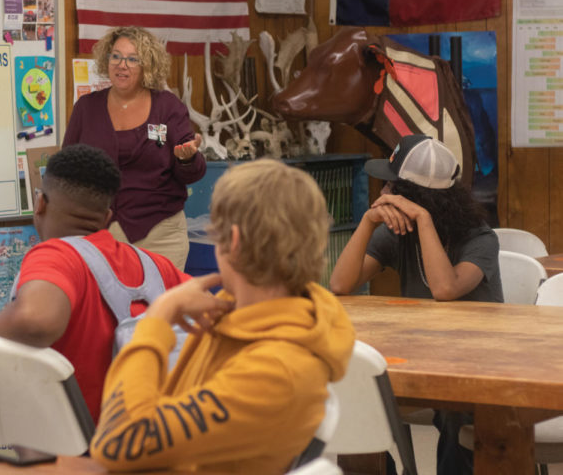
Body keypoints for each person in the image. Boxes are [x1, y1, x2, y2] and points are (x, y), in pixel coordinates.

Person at [90, 159, 355, 474]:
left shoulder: (277, 371)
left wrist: (155, 322)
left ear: (235, 242)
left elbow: (118, 443)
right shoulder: (235, 313)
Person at [330, 134, 501, 475]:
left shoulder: (480, 238)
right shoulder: (396, 232)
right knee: (356, 396)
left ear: (413, 197)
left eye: (391, 186)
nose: (383, 193)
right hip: (418, 357)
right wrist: (368, 221)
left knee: (456, 413)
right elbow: (340, 284)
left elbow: (444, 288)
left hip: (476, 367)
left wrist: (423, 219)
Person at [0, 144, 189, 422]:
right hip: (152, 445)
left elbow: (36, 319)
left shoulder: (56, 254)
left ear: (40, 203)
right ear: (106, 218)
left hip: (73, 456)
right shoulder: (158, 267)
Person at [63, 26, 205, 271]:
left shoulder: (168, 108)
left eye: (132, 59)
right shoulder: (86, 108)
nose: (122, 65)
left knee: (160, 310)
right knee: (106, 309)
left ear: (147, 65)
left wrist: (186, 159)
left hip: (161, 235)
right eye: (116, 56)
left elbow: (191, 173)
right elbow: (66, 168)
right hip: (101, 235)